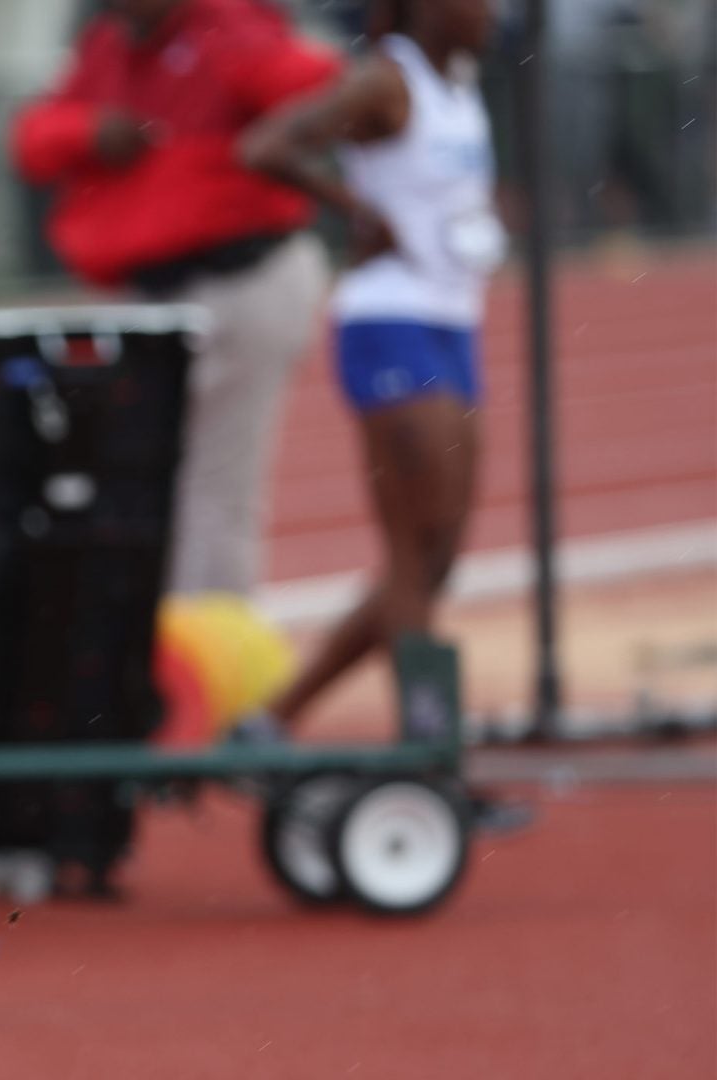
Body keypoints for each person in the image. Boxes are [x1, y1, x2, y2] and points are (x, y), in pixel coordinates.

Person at [11, 0, 340, 599]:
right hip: (142, 296)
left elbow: (321, 89)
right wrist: (92, 131)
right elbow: (31, 140)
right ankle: (150, 653)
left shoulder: (229, 26)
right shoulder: (108, 42)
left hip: (242, 279)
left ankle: (206, 669)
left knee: (215, 496)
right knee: (130, 485)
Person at [239, 0, 504, 731]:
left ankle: (275, 719)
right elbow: (266, 146)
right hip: (391, 321)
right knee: (414, 556)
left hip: (454, 322)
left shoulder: (460, 82)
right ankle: (429, 745)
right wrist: (356, 210)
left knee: (436, 558)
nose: (492, 11)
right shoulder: (389, 81)